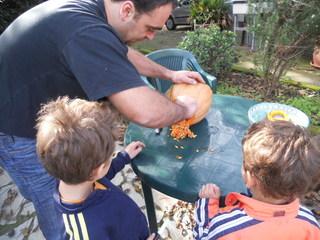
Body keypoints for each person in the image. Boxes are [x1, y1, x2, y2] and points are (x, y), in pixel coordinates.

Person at [0, 0, 204, 238]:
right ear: (127, 10)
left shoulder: (95, 14)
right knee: (55, 210)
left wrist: (169, 73)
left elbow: (122, 53)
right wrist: (184, 110)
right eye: (150, 28)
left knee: (74, 183)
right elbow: (145, 111)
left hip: (44, 121)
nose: (150, 37)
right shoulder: (84, 29)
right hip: (17, 130)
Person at [36, 96, 156, 239]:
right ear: (98, 169)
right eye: (109, 158)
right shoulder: (85, 232)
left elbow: (101, 177)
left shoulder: (74, 176)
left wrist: (123, 157)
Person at [193, 120, 320, 240]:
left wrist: (206, 206)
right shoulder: (310, 223)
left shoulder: (225, 228)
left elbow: (203, 236)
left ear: (249, 178)